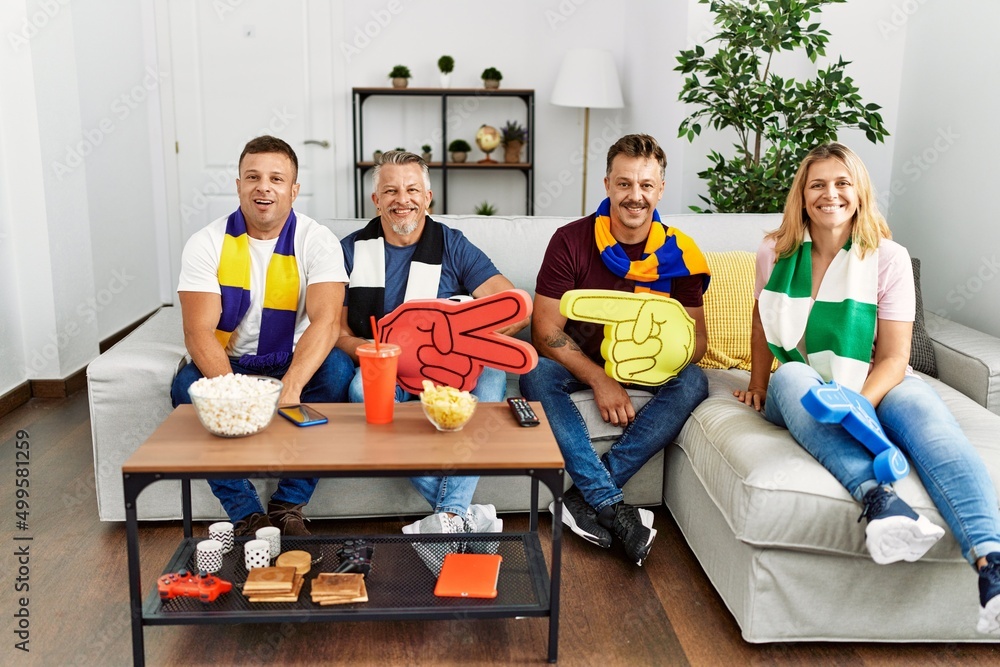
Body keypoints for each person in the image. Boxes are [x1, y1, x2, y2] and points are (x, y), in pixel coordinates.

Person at [734, 141, 1000, 634]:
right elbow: (761, 317)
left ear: (859, 192)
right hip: (801, 383)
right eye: (817, 184)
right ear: (802, 194)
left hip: (872, 379)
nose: (829, 194)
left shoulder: (889, 257)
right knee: (793, 375)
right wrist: (756, 383)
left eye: (842, 183)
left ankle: (992, 565)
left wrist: (857, 404)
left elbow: (896, 356)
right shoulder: (775, 250)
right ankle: (879, 498)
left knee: (928, 419)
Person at [519, 134, 711, 566]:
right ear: (607, 184)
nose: (635, 196)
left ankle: (584, 499)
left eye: (646, 185)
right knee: (535, 372)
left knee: (694, 380)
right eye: (624, 184)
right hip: (584, 364)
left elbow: (699, 342)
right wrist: (600, 379)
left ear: (660, 189)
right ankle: (607, 501)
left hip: (650, 368)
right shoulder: (570, 240)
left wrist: (665, 355)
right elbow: (544, 330)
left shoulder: (680, 254)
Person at [336, 150, 528, 537]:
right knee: (360, 389)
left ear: (428, 197)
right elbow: (336, 332)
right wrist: (376, 352)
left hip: (450, 366)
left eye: (411, 189)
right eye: (390, 190)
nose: (401, 199)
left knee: (490, 379)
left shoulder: (452, 245)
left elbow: (515, 309)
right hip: (386, 365)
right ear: (376, 201)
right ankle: (458, 516)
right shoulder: (351, 249)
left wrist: (463, 342)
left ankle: (449, 519)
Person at [170, 135, 354, 537]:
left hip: (292, 355)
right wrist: (233, 393)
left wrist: (291, 388)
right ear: (238, 185)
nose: (263, 187)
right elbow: (198, 330)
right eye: (252, 177)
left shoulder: (316, 239)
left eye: (276, 178)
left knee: (339, 369)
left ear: (294, 189)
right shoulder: (206, 243)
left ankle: (288, 504)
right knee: (187, 386)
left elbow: (325, 323)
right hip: (232, 360)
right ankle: (246, 514)